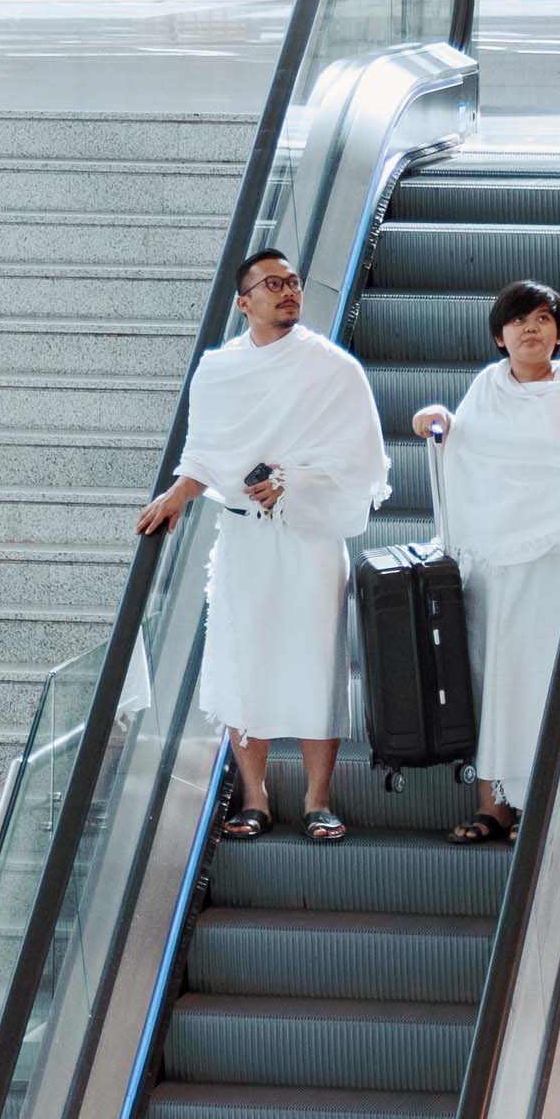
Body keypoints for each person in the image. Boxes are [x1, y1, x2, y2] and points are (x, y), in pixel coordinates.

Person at [137, 247, 391, 842]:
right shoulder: (219, 368)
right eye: (272, 284)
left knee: (316, 658)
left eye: (294, 282)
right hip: (243, 535)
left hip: (310, 533)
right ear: (243, 300)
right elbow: (204, 450)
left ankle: (317, 798)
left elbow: (363, 458)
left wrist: (295, 479)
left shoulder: (332, 368)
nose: (288, 292)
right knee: (241, 657)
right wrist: (178, 493)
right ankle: (255, 796)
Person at [409, 277, 560, 843]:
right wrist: (436, 419)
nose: (531, 328)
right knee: (493, 672)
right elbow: (463, 444)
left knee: (546, 673)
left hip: (558, 556)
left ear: (558, 333)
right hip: (496, 560)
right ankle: (492, 803)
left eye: (543, 319)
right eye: (520, 320)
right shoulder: (487, 386)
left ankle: (543, 806)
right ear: (500, 335)